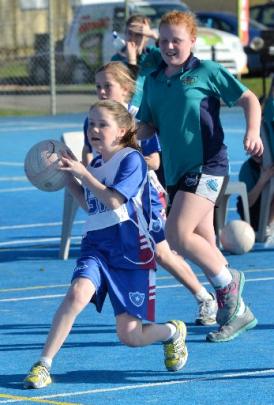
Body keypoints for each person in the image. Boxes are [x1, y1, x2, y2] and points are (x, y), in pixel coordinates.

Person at [23, 100, 188, 389]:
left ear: (122, 131)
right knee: (77, 294)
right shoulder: (96, 164)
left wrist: (82, 172)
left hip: (132, 253)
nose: (94, 129)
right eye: (91, 123)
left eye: (102, 124)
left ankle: (172, 332)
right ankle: (43, 364)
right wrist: (66, 177)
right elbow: (92, 205)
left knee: (130, 336)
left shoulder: (132, 160)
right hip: (97, 248)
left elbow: (113, 200)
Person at [137, 10, 263, 342]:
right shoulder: (154, 81)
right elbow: (150, 123)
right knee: (204, 239)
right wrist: (130, 133)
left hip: (208, 165)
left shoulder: (206, 72)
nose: (168, 46)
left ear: (192, 41)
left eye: (175, 40)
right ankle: (238, 311)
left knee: (176, 235)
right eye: (163, 40)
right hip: (175, 172)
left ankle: (229, 284)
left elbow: (249, 98)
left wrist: (252, 132)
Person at [84, 61, 218, 326]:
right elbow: (90, 158)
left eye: (107, 86)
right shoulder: (95, 119)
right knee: (142, 250)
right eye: (98, 86)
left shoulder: (137, 118)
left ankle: (206, 298)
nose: (101, 91)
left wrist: (124, 164)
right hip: (115, 194)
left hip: (144, 195)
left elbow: (155, 161)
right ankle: (130, 309)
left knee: (161, 251)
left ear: (125, 89)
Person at [111, 14, 162, 109]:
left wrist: (154, 35)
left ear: (146, 37)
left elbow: (171, 54)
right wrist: (131, 61)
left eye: (138, 34)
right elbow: (128, 89)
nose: (133, 38)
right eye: (130, 33)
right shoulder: (117, 59)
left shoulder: (153, 54)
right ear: (125, 34)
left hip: (151, 111)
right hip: (127, 111)